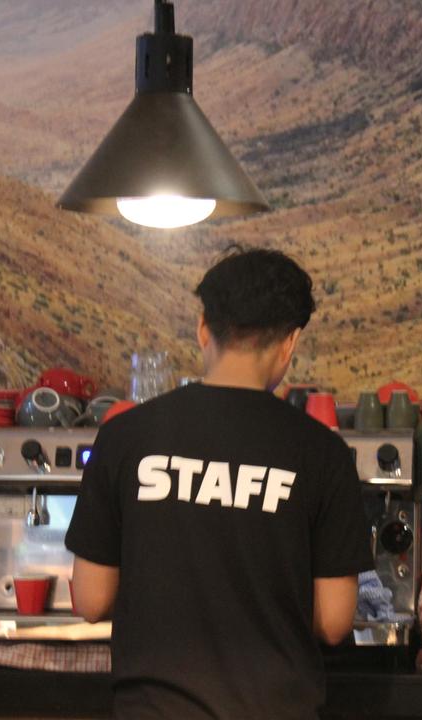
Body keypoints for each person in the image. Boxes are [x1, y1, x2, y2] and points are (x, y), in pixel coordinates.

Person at [65, 247, 373, 719]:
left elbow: (90, 599)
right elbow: (333, 622)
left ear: (203, 327)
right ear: (289, 343)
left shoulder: (126, 436)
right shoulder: (322, 452)